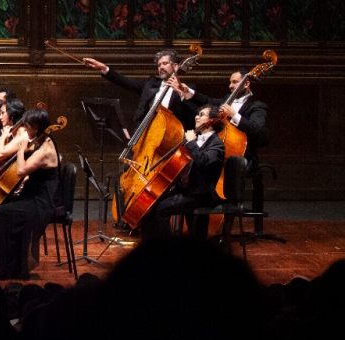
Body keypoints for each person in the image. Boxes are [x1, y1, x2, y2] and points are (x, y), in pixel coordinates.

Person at [0, 103, 59, 280]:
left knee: (0, 213)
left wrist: (21, 149)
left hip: (40, 203)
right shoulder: (40, 141)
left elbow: (21, 170)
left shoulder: (46, 148)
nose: (24, 130)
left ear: (35, 128)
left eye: (26, 127)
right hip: (30, 196)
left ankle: (4, 269)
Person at [139, 105, 225, 239]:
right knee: (150, 205)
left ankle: (165, 248)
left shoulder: (217, 145)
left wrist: (190, 143)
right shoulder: (196, 140)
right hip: (186, 190)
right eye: (198, 114)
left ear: (212, 120)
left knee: (161, 209)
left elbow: (204, 161)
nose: (197, 116)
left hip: (199, 195)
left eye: (202, 114)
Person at [82, 50, 196, 130]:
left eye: (165, 63)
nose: (161, 67)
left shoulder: (187, 90)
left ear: (176, 66)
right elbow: (125, 82)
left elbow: (190, 117)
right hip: (144, 133)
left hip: (169, 138)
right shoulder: (151, 83)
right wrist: (103, 68)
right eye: (159, 65)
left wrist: (182, 93)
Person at [175, 69, 268, 165]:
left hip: (242, 157)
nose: (230, 86)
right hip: (215, 151)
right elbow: (208, 101)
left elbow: (256, 128)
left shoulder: (257, 105)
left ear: (246, 84)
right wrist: (189, 91)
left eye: (234, 82)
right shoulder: (227, 99)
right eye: (230, 82)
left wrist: (234, 115)